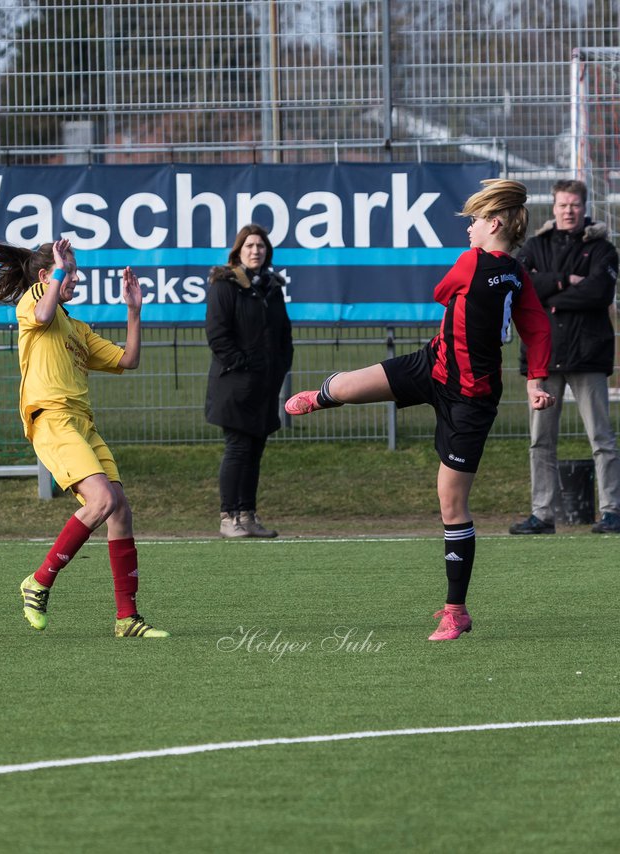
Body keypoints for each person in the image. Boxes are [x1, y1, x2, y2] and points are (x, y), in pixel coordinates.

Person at [284, 179, 555, 641]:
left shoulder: (474, 262)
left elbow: (441, 291)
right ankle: (325, 396)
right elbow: (537, 327)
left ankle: (456, 611)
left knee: (452, 504)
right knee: (348, 386)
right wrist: (536, 381)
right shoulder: (516, 273)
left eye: (473, 221)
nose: (468, 228)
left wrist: (532, 377)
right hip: (434, 364)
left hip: (470, 400)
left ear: (493, 223)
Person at [0, 237, 168, 638]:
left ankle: (126, 619)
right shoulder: (34, 300)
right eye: (70, 270)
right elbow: (44, 314)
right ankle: (39, 581)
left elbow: (128, 359)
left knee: (119, 510)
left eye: (76, 270)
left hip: (83, 424)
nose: (76, 278)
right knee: (103, 500)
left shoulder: (78, 328)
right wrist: (57, 273)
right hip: (52, 419)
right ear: (47, 274)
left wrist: (134, 311)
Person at [509, 178, 620, 535]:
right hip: (543, 357)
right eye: (562, 205)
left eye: (574, 205)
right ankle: (542, 515)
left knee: (601, 439)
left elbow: (598, 293)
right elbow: (523, 285)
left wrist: (549, 296)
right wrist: (565, 281)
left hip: (588, 356)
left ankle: (612, 511)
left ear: (584, 207)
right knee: (541, 441)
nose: (568, 210)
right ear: (553, 208)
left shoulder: (603, 249)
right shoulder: (534, 246)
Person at [205, 224, 294, 538]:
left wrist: (279, 368)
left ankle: (247, 515)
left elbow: (283, 334)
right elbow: (218, 336)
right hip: (234, 386)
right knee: (238, 449)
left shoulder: (271, 286)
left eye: (260, 246)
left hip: (264, 387)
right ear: (238, 251)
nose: (255, 251)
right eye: (249, 246)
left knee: (255, 450)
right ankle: (228, 517)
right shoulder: (224, 285)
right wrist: (244, 367)